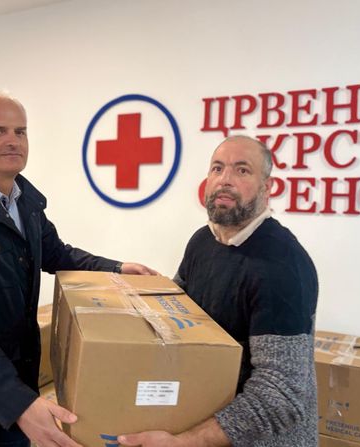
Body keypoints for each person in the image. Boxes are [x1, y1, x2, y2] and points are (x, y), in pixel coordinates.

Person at [0, 88, 156, 447]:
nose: (13, 141)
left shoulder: (25, 202)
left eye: (20, 131)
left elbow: (57, 254)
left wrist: (117, 268)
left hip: (13, 382)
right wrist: (19, 403)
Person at [119, 136, 318, 447]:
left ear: (267, 187)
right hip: (203, 419)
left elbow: (280, 393)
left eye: (242, 170)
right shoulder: (202, 241)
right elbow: (179, 312)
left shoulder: (282, 265)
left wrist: (185, 442)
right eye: (217, 168)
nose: (225, 180)